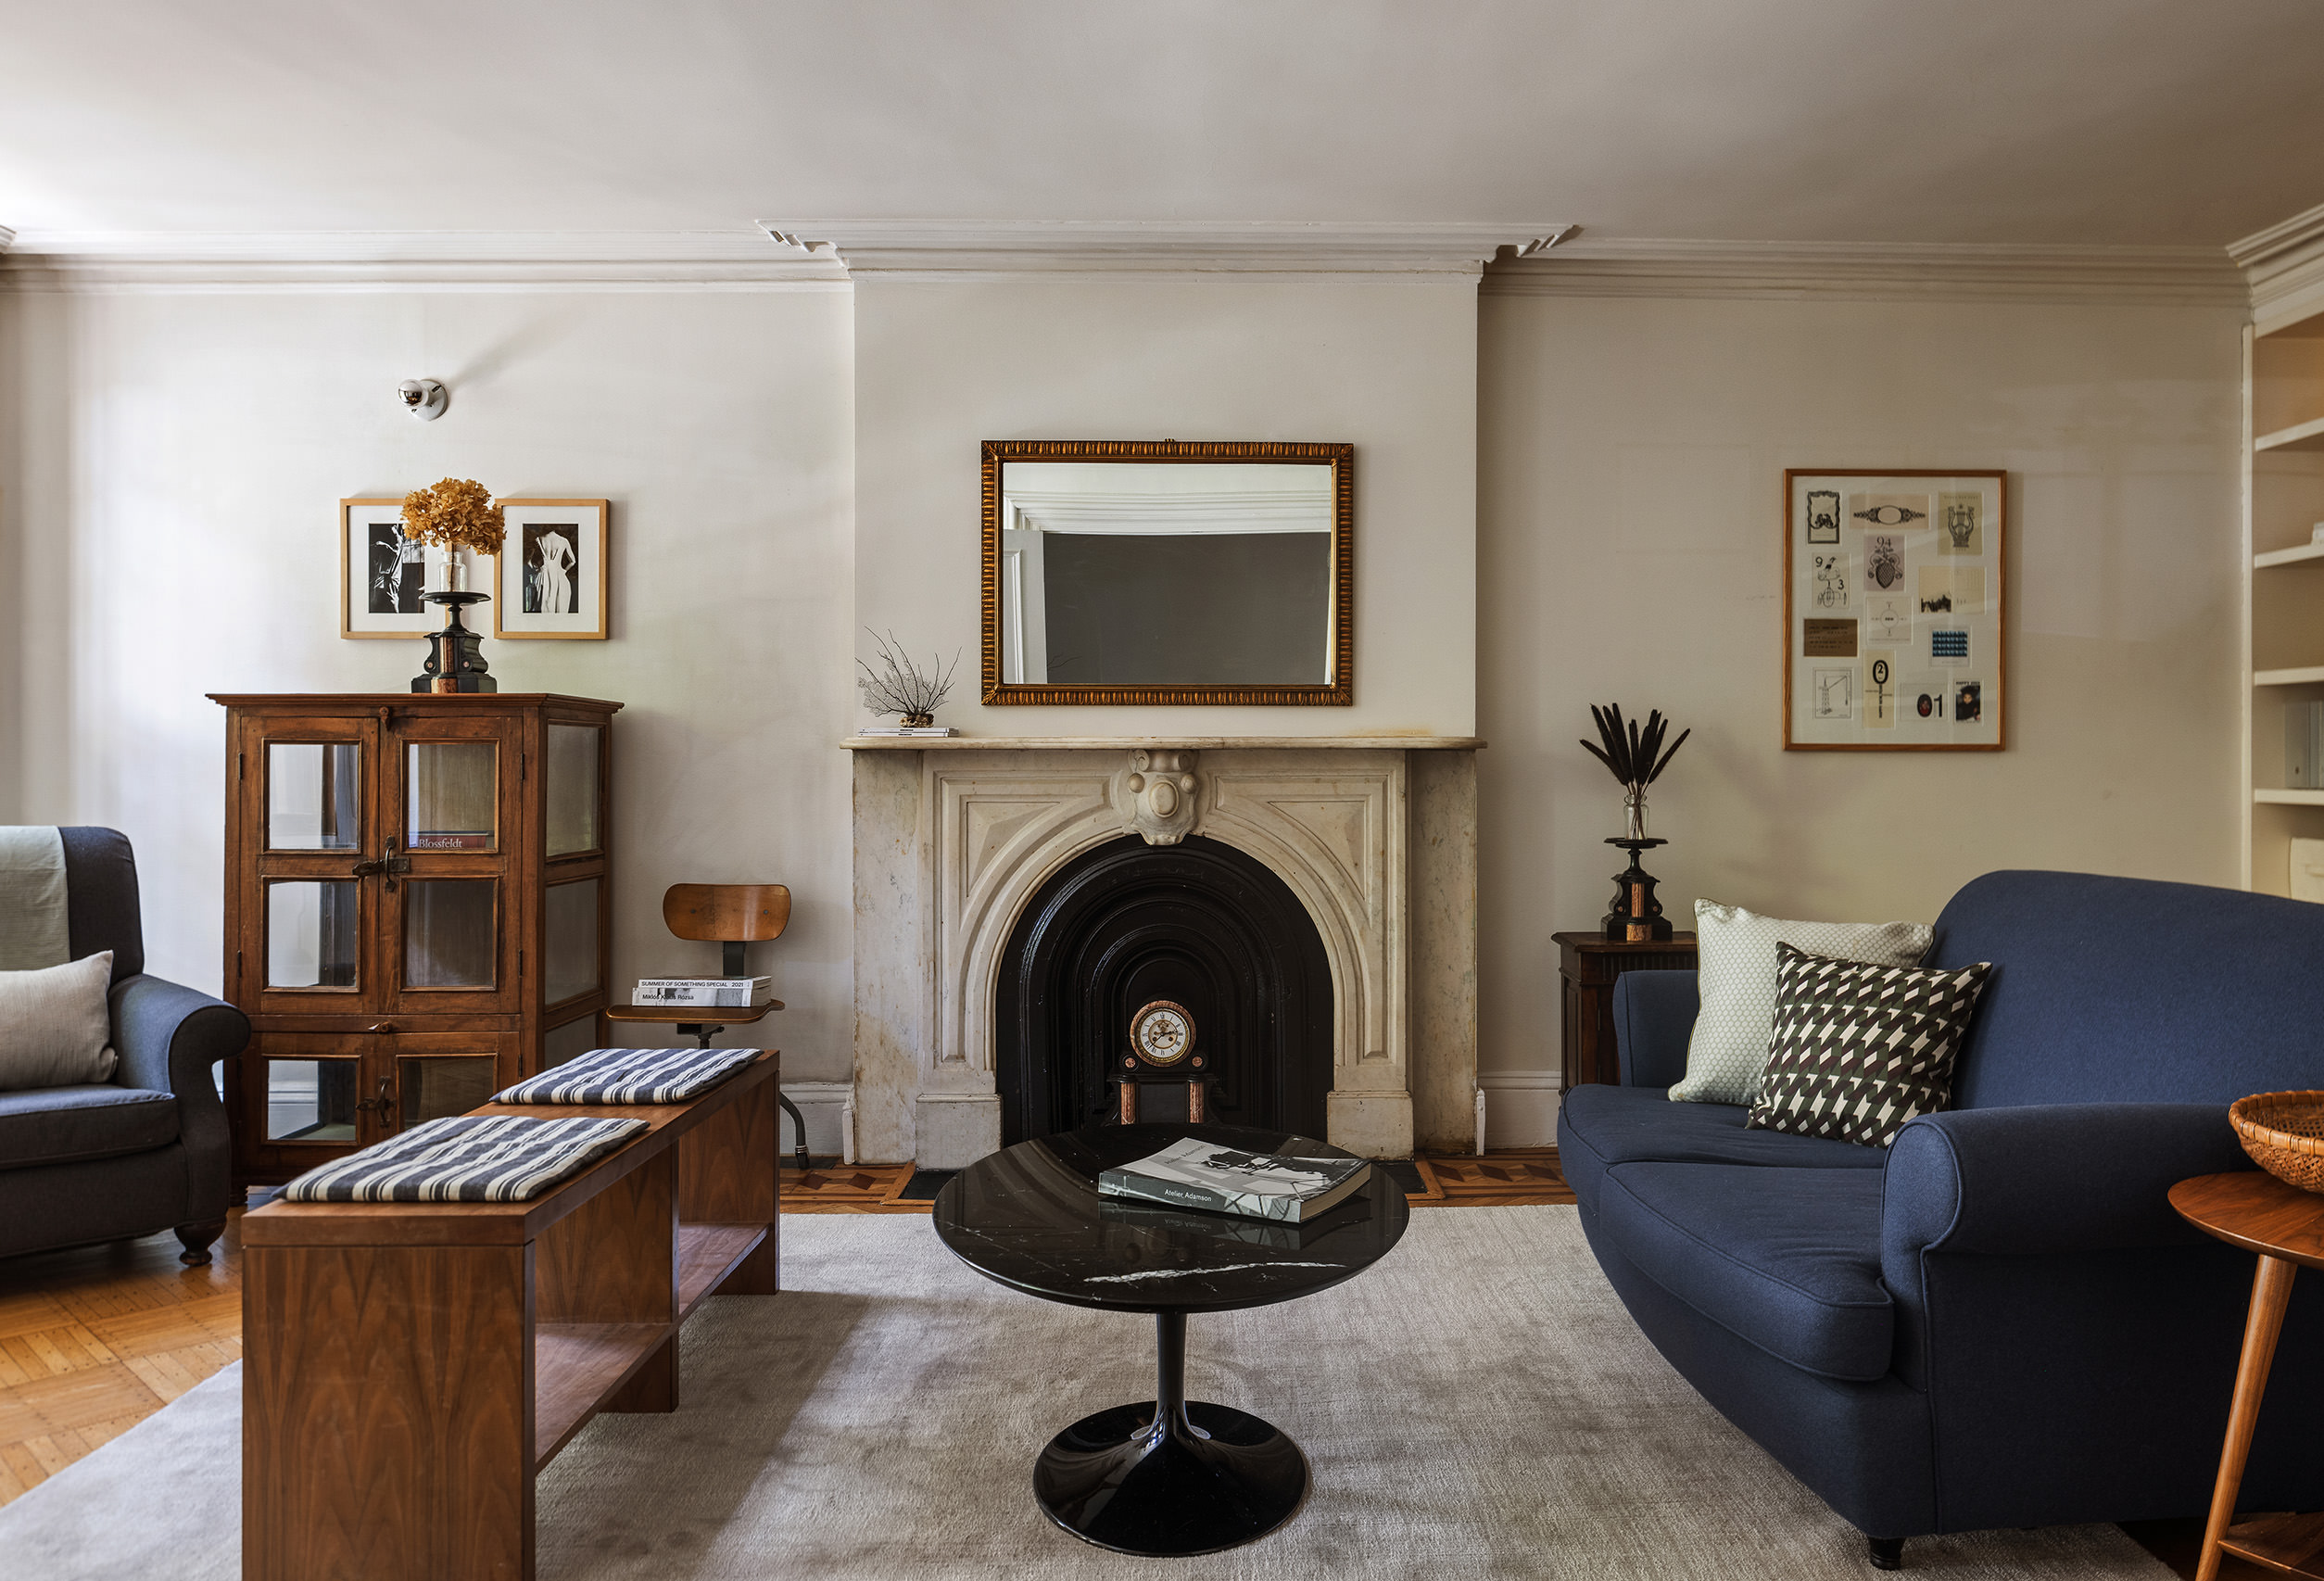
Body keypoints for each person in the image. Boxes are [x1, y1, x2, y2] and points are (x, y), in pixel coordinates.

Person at [533, 528, 575, 614]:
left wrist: (538, 569)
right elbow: (573, 561)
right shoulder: (563, 541)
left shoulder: (539, 539)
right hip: (559, 577)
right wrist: (564, 571)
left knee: (542, 611)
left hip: (543, 577)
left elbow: (532, 562)